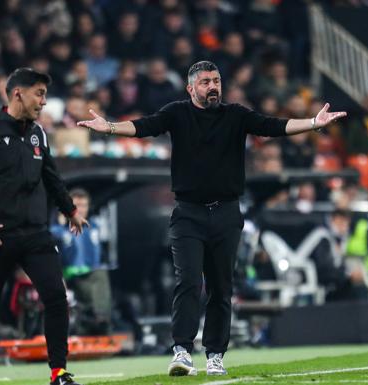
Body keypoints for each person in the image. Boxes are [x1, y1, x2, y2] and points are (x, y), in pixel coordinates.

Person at [77, 61, 346, 376]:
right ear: (191, 88)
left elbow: (274, 126)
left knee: (221, 288)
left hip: (227, 213)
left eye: (216, 80)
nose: (213, 86)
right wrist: (109, 127)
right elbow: (144, 126)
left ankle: (215, 354)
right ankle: (181, 351)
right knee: (188, 282)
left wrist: (313, 123)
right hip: (188, 213)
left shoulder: (236, 115)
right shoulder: (177, 113)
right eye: (205, 82)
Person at [0, 67, 88, 385]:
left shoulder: (38, 134)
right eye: (39, 93)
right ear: (18, 93)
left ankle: (58, 372)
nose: (44, 101)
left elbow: (51, 177)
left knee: (57, 298)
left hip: (35, 234)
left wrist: (70, 209)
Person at [50, 188, 112, 336]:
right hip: (70, 278)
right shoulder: (58, 230)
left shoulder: (94, 228)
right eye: (77, 205)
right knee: (100, 276)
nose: (81, 209)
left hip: (91, 277)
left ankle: (98, 321)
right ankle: (101, 316)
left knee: (101, 276)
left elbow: (101, 256)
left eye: (84, 205)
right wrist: (61, 222)